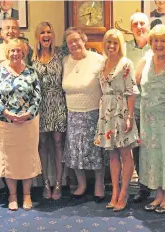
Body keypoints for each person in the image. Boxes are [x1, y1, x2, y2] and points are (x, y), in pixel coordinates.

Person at [0, 39, 42, 211]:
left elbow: (38, 96)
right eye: (12, 51)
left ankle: (26, 195)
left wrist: (29, 113)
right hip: (5, 123)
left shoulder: (31, 72)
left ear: (23, 52)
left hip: (28, 123)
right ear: (7, 53)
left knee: (27, 158)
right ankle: (12, 195)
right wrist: (5, 112)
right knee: (9, 159)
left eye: (18, 50)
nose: (15, 54)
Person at [0, 17, 30, 197]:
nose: (10, 31)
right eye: (7, 28)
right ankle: (10, 189)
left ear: (18, 31)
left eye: (14, 28)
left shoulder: (26, 49)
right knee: (6, 150)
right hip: (2, 111)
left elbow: (30, 79)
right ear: (1, 33)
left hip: (25, 113)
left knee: (22, 150)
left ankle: (23, 190)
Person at [95, 29, 140, 212]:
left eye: (115, 42)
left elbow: (131, 92)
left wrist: (129, 117)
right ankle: (114, 193)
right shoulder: (103, 62)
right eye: (108, 42)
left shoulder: (126, 63)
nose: (111, 46)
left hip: (122, 111)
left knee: (125, 154)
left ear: (120, 44)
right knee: (112, 155)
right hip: (106, 112)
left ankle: (124, 193)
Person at [136, 24, 165, 214]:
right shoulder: (146, 60)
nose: (158, 44)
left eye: (162, 41)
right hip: (147, 118)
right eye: (155, 40)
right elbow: (134, 82)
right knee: (152, 156)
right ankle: (159, 194)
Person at [62, 27, 106, 202]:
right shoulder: (65, 61)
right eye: (69, 42)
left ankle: (99, 184)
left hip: (94, 113)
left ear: (84, 40)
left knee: (95, 151)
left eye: (76, 40)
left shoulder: (98, 60)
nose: (73, 44)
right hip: (72, 113)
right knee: (75, 151)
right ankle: (81, 184)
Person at [32, 21, 67, 201]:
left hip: (58, 102)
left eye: (49, 32)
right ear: (38, 36)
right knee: (43, 144)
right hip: (39, 104)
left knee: (58, 142)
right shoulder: (31, 57)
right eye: (42, 32)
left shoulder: (61, 53)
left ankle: (59, 184)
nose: (46, 35)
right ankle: (46, 183)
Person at [125, 12, 152, 203]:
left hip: (154, 106)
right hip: (133, 105)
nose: (139, 27)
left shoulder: (157, 44)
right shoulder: (125, 48)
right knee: (138, 147)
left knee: (155, 147)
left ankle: (159, 184)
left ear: (148, 25)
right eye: (135, 24)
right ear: (131, 28)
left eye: (142, 23)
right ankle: (143, 186)